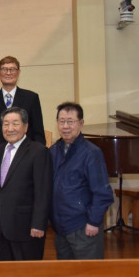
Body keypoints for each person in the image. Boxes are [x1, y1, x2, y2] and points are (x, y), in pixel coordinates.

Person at [49, 102, 114, 260]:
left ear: (81, 123)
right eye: (62, 121)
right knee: (65, 274)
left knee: (88, 273)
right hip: (61, 228)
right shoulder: (53, 151)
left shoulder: (91, 153)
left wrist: (94, 222)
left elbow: (102, 192)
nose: (65, 126)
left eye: (70, 121)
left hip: (83, 227)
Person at [0, 107, 52, 261]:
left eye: (15, 123)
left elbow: (43, 191)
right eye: (6, 124)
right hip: (1, 228)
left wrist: (38, 224)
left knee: (28, 273)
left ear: (25, 127)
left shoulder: (38, 151)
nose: (10, 128)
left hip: (27, 229)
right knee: (5, 272)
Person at [0, 56, 45, 149]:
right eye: (4, 69)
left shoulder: (31, 98)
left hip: (26, 153)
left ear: (18, 72)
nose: (8, 73)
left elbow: (38, 133)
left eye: (12, 69)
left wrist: (38, 153)